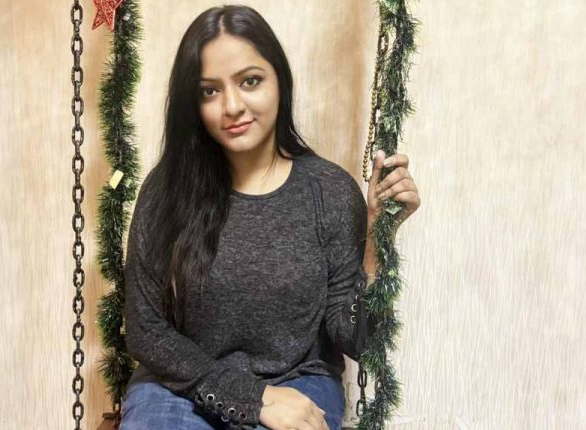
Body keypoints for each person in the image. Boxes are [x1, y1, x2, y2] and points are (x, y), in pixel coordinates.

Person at [119, 4, 420, 430]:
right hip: (183, 382)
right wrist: (250, 398)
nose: (232, 106)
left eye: (250, 81)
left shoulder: (329, 191)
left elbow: (356, 341)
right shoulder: (167, 189)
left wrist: (377, 238)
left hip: (298, 381)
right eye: (209, 91)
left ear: (280, 80)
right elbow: (146, 330)